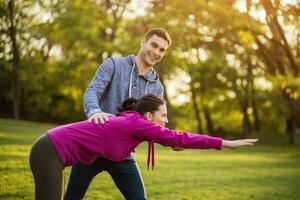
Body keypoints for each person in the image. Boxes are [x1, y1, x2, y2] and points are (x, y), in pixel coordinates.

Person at [29, 94, 258, 200]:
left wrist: (169, 141)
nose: (166, 121)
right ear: (149, 115)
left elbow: (172, 138)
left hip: (51, 150)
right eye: (163, 115)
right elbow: (180, 137)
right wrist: (226, 143)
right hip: (49, 151)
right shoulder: (136, 123)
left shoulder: (133, 123)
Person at [65, 28, 173, 200]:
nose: (156, 52)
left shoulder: (157, 88)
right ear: (142, 43)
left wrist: (170, 140)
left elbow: (153, 123)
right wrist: (94, 111)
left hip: (124, 154)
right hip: (93, 146)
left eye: (162, 50)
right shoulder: (114, 64)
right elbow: (92, 91)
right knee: (73, 197)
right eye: (154, 45)